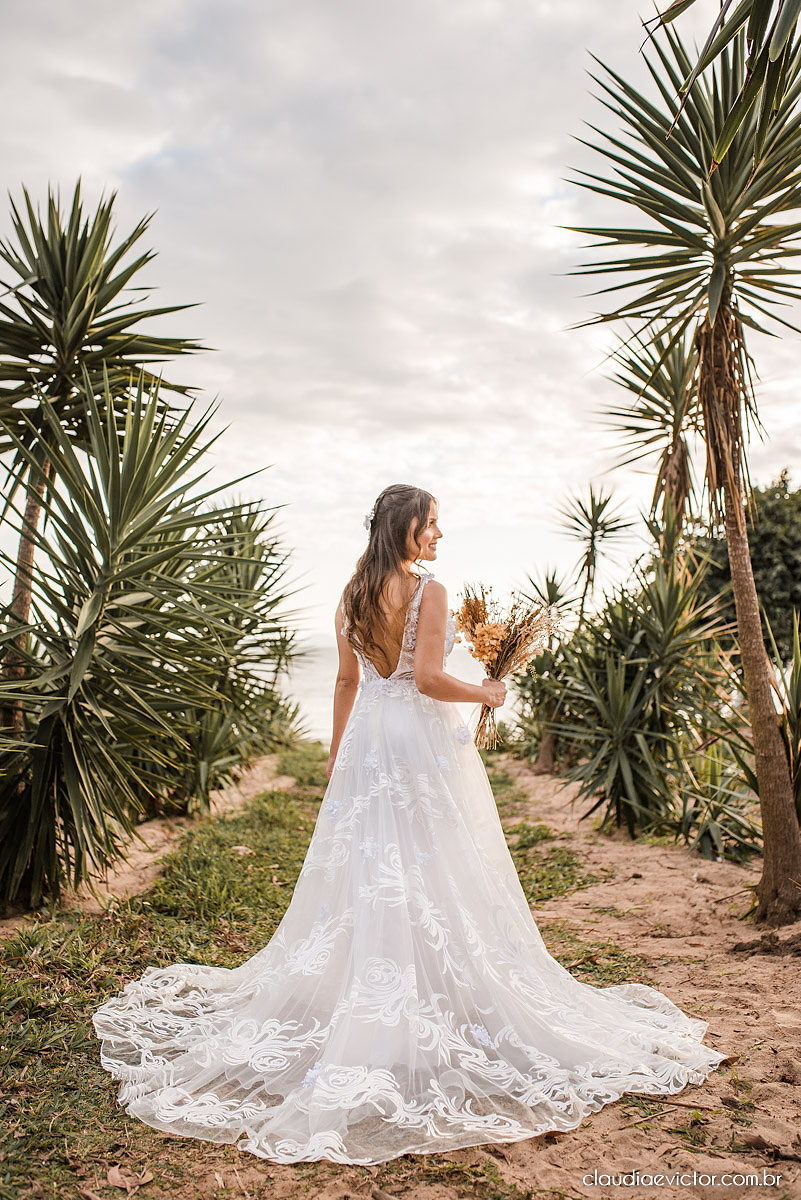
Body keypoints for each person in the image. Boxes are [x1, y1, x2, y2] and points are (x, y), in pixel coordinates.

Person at [93, 483, 725, 1166]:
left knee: (372, 862)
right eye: (431, 525)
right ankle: (427, 991)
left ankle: (383, 980)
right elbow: (425, 678)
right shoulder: (430, 590)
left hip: (369, 735)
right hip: (417, 737)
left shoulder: (350, 593)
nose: (438, 537)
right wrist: (485, 690)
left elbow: (344, 681)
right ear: (405, 530)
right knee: (436, 859)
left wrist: (338, 753)